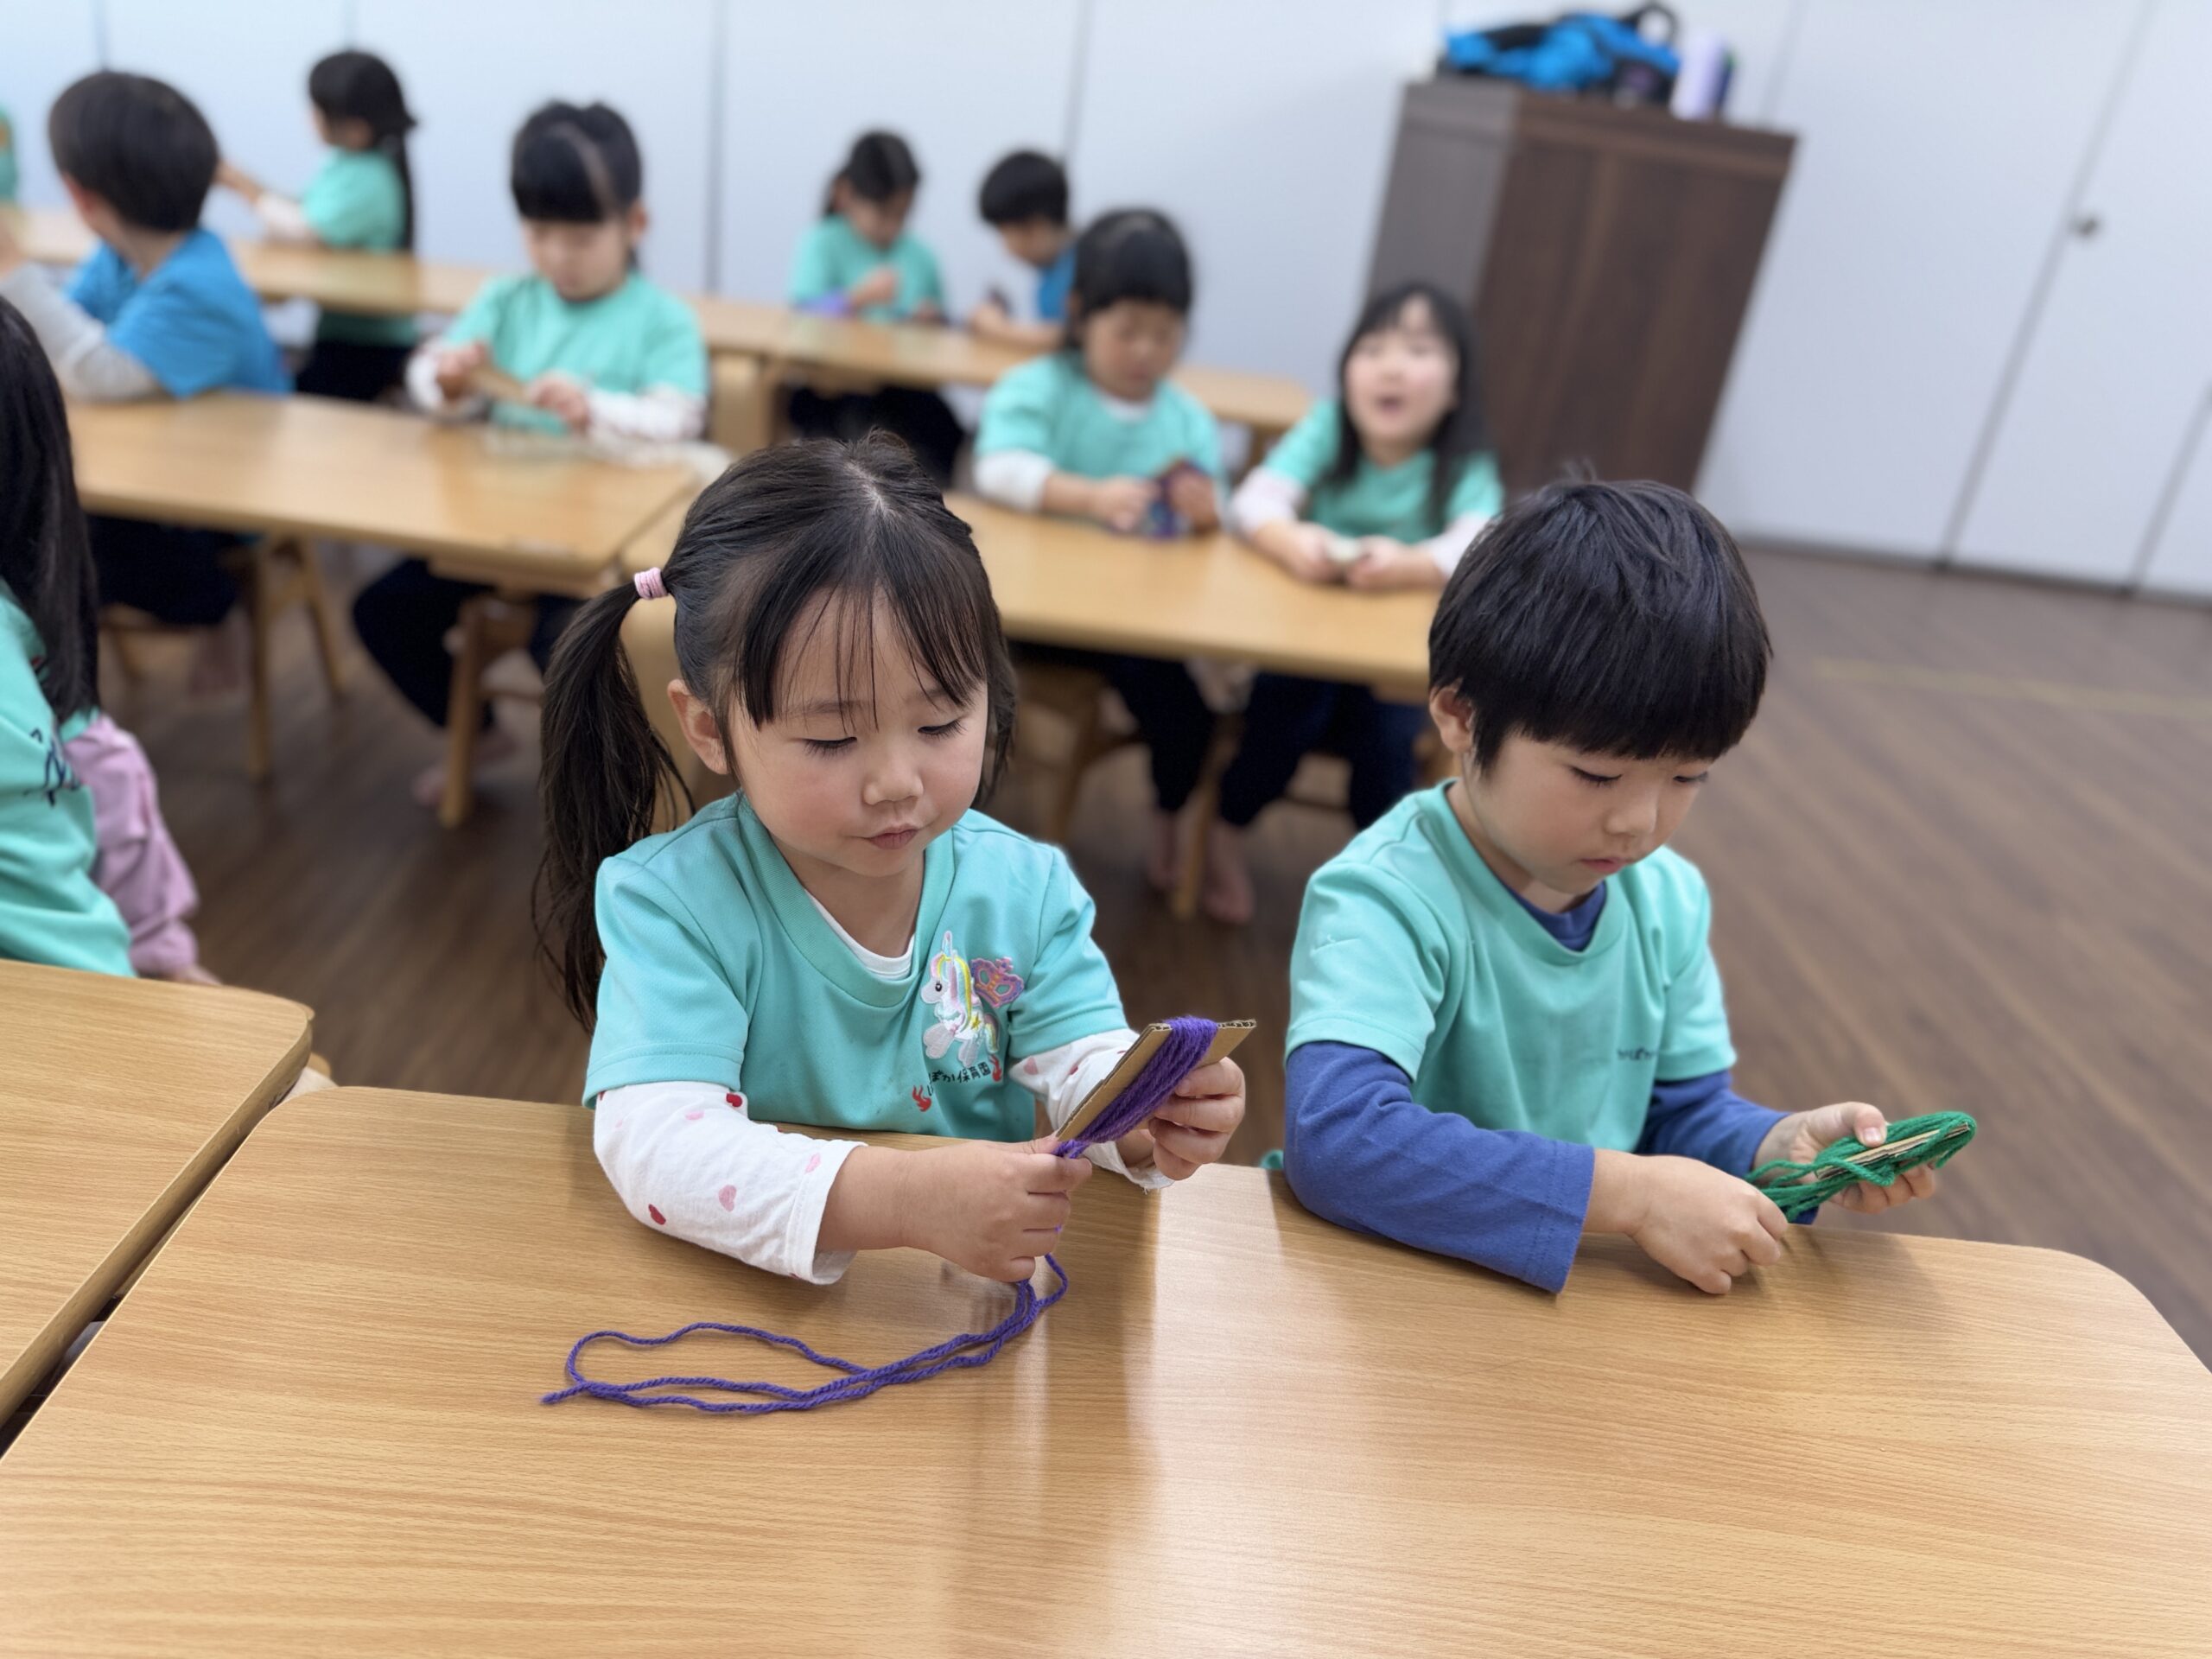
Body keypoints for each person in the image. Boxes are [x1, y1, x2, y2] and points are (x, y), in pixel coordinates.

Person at [536, 436, 1247, 1284]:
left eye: (940, 724)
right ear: (708, 729)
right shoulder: (675, 901)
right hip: (742, 1297)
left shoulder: (1024, 892)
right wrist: (904, 1199)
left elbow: (1078, 1062)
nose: (896, 783)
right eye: (832, 738)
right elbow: (658, 1146)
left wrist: (1141, 1114)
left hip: (954, 1299)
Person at [1283, 480, 1941, 1296]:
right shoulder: (1384, 896)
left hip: (1572, 1301)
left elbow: (1679, 1116)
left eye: (1687, 776)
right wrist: (1629, 1196)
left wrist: (1780, 1147)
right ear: (1460, 715)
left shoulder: (1667, 899)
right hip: (1385, 1290)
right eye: (1596, 775)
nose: (1639, 822)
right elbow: (1338, 1142)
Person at [353, 100, 708, 806]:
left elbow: (680, 418)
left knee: (574, 655)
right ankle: (479, 733)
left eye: (580, 236)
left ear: (634, 224)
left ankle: (619, 790)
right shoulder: (508, 299)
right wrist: (449, 381)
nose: (557, 255)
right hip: (490, 534)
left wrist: (593, 408)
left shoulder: (661, 318)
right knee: (382, 613)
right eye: (540, 233)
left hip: (590, 552)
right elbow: (429, 370)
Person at [1204, 283, 1503, 924]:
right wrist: (1291, 543)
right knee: (1277, 729)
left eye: (1418, 350)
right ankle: (1226, 837)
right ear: (1346, 372)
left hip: (1393, 666)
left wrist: (1410, 564)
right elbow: (1255, 499)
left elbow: (1480, 540)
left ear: (1455, 388)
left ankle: (1381, 880)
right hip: (1301, 645)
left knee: (1387, 751)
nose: (1391, 366)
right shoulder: (1327, 426)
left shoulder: (1463, 461)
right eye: (1372, 349)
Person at [0, 73, 288, 684]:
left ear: (78, 194)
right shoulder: (122, 256)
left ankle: (216, 606)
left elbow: (94, 372)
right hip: (160, 467)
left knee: (64, 540)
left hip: (227, 498)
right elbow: (63, 337)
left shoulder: (200, 284)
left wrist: (15, 269)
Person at [974, 207, 1223, 892]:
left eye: (1165, 334)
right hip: (1030, 616)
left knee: (1189, 719)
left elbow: (1214, 512)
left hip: (1136, 628)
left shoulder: (1186, 419)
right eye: (1128, 331)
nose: (1146, 351)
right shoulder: (1040, 387)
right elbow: (998, 467)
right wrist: (1086, 496)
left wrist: (1207, 514)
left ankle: (1169, 818)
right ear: (1080, 314)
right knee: (960, 692)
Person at [217, 48, 418, 402]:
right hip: (343, 333)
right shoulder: (347, 163)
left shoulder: (369, 177)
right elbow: (300, 210)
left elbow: (305, 230)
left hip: (368, 344)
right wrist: (246, 186)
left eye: (319, 111)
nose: (311, 118)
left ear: (356, 129)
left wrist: (242, 187)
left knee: (286, 400)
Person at [785, 130, 962, 482]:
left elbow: (942, 330)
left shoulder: (920, 255)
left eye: (903, 215)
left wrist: (930, 319)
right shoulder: (823, 242)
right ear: (846, 194)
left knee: (943, 431)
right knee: (850, 441)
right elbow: (802, 311)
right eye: (883, 213)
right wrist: (857, 298)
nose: (892, 226)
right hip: (836, 385)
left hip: (903, 387)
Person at [969, 148, 1073, 350]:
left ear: (1035, 227)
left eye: (1005, 234)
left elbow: (1073, 338)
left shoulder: (1086, 269)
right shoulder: (1050, 272)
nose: (1005, 249)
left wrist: (998, 328)